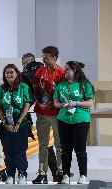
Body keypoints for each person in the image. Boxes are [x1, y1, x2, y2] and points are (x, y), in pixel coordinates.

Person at [53, 61, 94, 184]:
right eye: (64, 69)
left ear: (74, 70)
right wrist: (63, 105)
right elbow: (56, 103)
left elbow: (89, 103)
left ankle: (83, 175)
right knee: (65, 150)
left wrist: (75, 103)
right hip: (64, 120)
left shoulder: (85, 85)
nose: (64, 71)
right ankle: (65, 175)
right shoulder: (61, 86)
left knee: (80, 149)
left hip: (81, 120)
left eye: (67, 69)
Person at [21, 53, 59, 182]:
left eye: (30, 62)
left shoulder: (45, 75)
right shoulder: (21, 79)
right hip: (30, 117)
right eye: (25, 63)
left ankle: (56, 173)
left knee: (48, 146)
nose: (28, 66)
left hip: (49, 114)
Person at [0, 64, 33, 184]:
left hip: (21, 122)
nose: (9, 75)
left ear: (17, 74)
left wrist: (18, 123)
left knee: (20, 151)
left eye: (11, 72)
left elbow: (27, 105)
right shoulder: (0, 88)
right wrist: (5, 123)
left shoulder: (24, 87)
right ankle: (10, 175)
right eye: (7, 73)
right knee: (8, 151)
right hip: (6, 122)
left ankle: (22, 174)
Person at [32, 46, 65, 184]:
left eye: (46, 57)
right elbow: (35, 90)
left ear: (54, 58)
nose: (44, 60)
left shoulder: (62, 73)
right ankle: (42, 174)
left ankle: (61, 172)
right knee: (43, 145)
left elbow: (64, 94)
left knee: (59, 145)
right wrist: (38, 100)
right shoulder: (39, 71)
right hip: (41, 113)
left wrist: (53, 104)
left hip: (57, 114)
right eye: (43, 57)